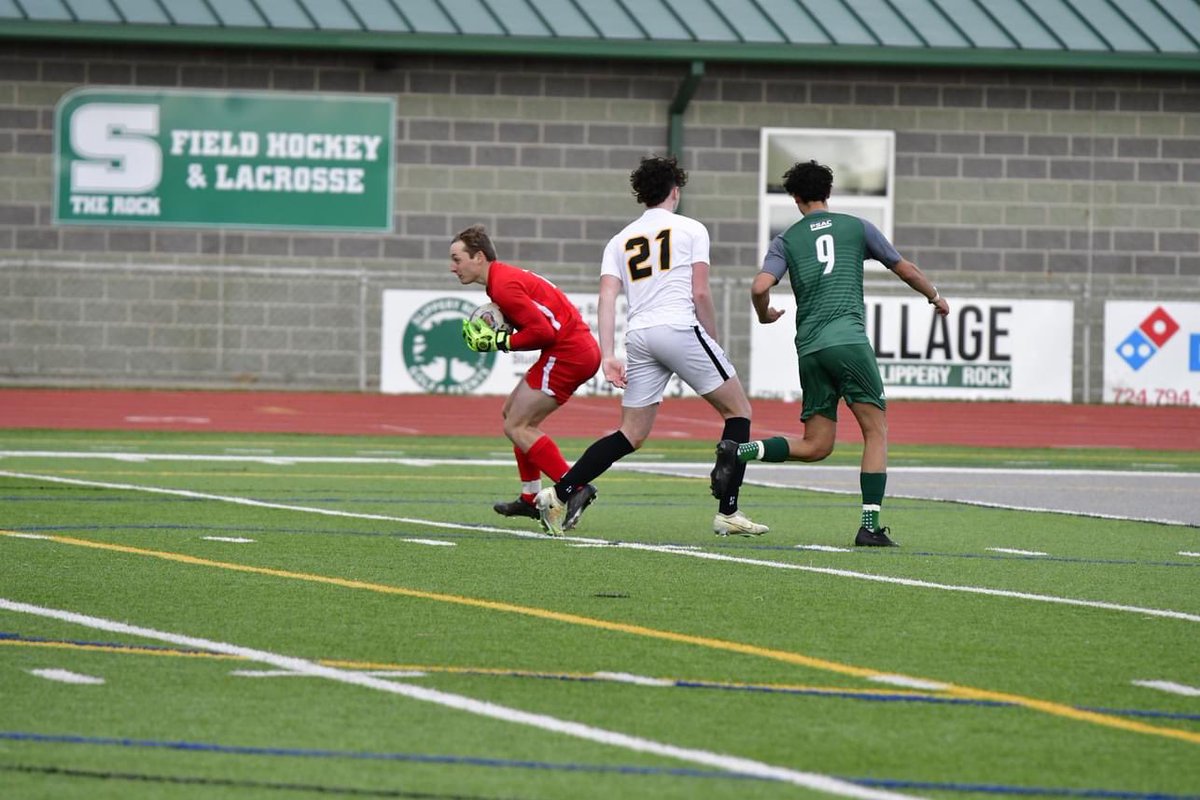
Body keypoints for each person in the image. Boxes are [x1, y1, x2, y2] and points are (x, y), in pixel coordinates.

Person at [711, 160, 950, 547]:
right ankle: (869, 527)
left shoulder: (786, 240)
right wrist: (935, 296)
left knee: (817, 446)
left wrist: (764, 313)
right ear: (829, 192)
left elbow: (759, 287)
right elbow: (904, 268)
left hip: (810, 349)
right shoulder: (856, 227)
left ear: (795, 198)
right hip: (848, 343)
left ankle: (740, 451)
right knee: (876, 431)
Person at [536, 156, 768, 537]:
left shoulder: (619, 240)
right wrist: (712, 339)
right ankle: (728, 511)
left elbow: (607, 297)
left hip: (640, 336)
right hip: (678, 328)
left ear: (642, 194)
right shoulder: (692, 229)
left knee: (630, 434)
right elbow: (700, 292)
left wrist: (609, 354)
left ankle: (559, 494)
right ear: (675, 191)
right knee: (738, 411)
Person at [451, 224, 601, 527]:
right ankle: (530, 497)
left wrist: (501, 341)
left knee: (517, 425)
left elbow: (543, 332)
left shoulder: (503, 285)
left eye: (457, 259)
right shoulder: (501, 279)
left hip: (569, 352)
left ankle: (575, 488)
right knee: (512, 415)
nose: (453, 267)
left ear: (478, 257)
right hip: (572, 349)